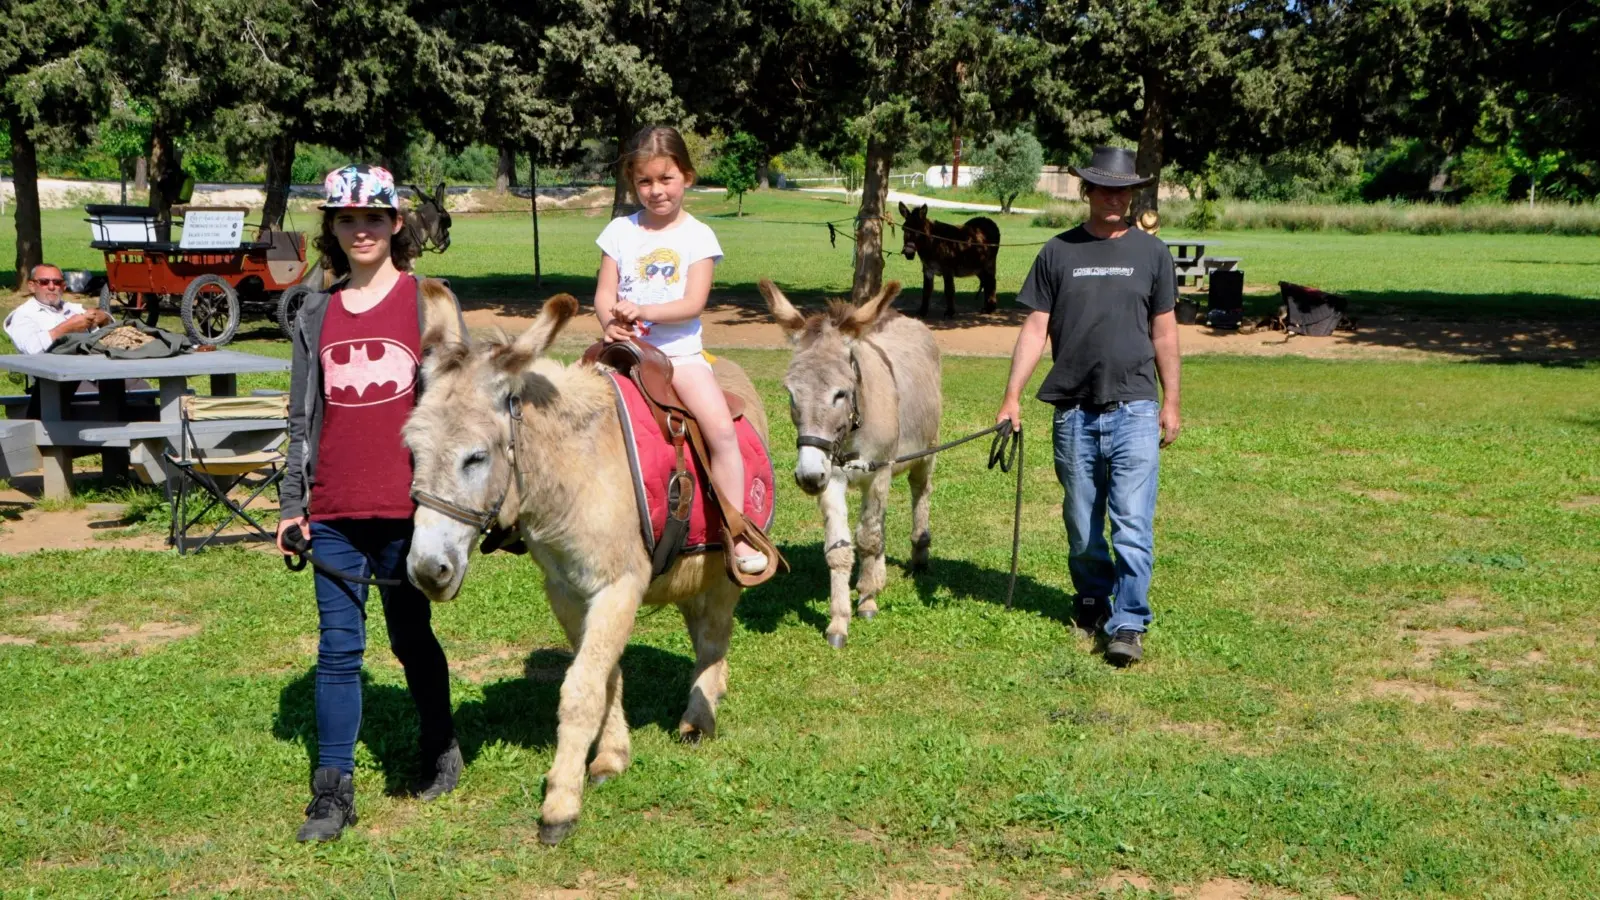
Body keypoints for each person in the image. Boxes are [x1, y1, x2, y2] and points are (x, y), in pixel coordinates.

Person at [275, 164, 469, 842]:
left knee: (411, 637)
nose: (362, 229)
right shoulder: (315, 310)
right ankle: (333, 794)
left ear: (396, 224)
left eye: (374, 217)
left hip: (407, 510)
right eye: (347, 218)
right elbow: (302, 413)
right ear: (332, 227)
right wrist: (291, 505)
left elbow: (458, 412)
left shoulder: (428, 301)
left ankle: (440, 742)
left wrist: (445, 505)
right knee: (337, 650)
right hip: (332, 510)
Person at [994, 146, 1182, 667]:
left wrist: (1172, 401)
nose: (1115, 198)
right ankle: (1093, 595)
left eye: (1124, 190)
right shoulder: (1058, 252)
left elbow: (1164, 332)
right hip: (1073, 411)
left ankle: (1128, 622)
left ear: (1132, 194)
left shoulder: (1152, 254)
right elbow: (1034, 329)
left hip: (1136, 409)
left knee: (1132, 525)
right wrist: (1011, 397)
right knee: (1081, 525)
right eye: (1105, 189)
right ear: (1087, 192)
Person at [593, 125, 766, 574]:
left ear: (686, 176)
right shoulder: (619, 231)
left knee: (721, 433)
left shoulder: (698, 236)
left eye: (666, 179)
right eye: (645, 181)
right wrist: (609, 323)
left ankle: (737, 528)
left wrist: (643, 307)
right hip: (624, 352)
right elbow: (603, 292)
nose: (656, 191)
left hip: (679, 357)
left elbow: (693, 303)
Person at [3, 264, 112, 354]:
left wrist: (104, 319)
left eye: (57, 282)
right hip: (55, 376)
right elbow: (31, 349)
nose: (51, 287)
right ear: (32, 286)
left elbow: (113, 336)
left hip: (95, 367)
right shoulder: (23, 314)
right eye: (44, 282)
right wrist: (66, 328)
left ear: (63, 286)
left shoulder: (73, 308)